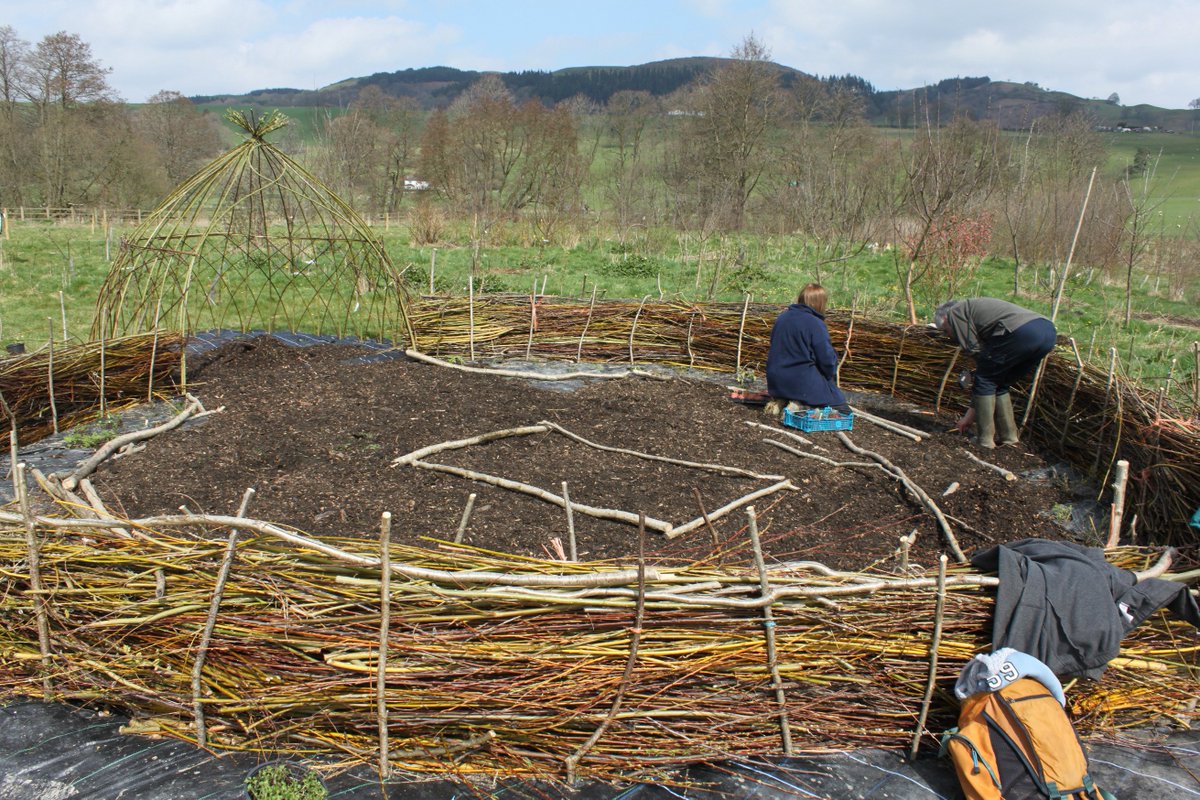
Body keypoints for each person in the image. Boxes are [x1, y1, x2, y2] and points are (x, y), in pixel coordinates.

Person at [933, 298, 1057, 448]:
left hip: (1020, 333)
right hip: (1047, 332)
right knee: (1001, 383)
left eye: (946, 330)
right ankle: (1010, 438)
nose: (948, 335)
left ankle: (984, 441)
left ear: (945, 318)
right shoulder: (974, 310)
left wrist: (980, 371)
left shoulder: (955, 313)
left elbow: (973, 349)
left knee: (985, 379)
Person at [765, 283, 850, 417]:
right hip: (800, 382)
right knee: (843, 410)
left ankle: (782, 401)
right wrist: (829, 376)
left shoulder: (782, 318)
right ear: (820, 303)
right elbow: (827, 361)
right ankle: (802, 407)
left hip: (776, 381)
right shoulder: (815, 324)